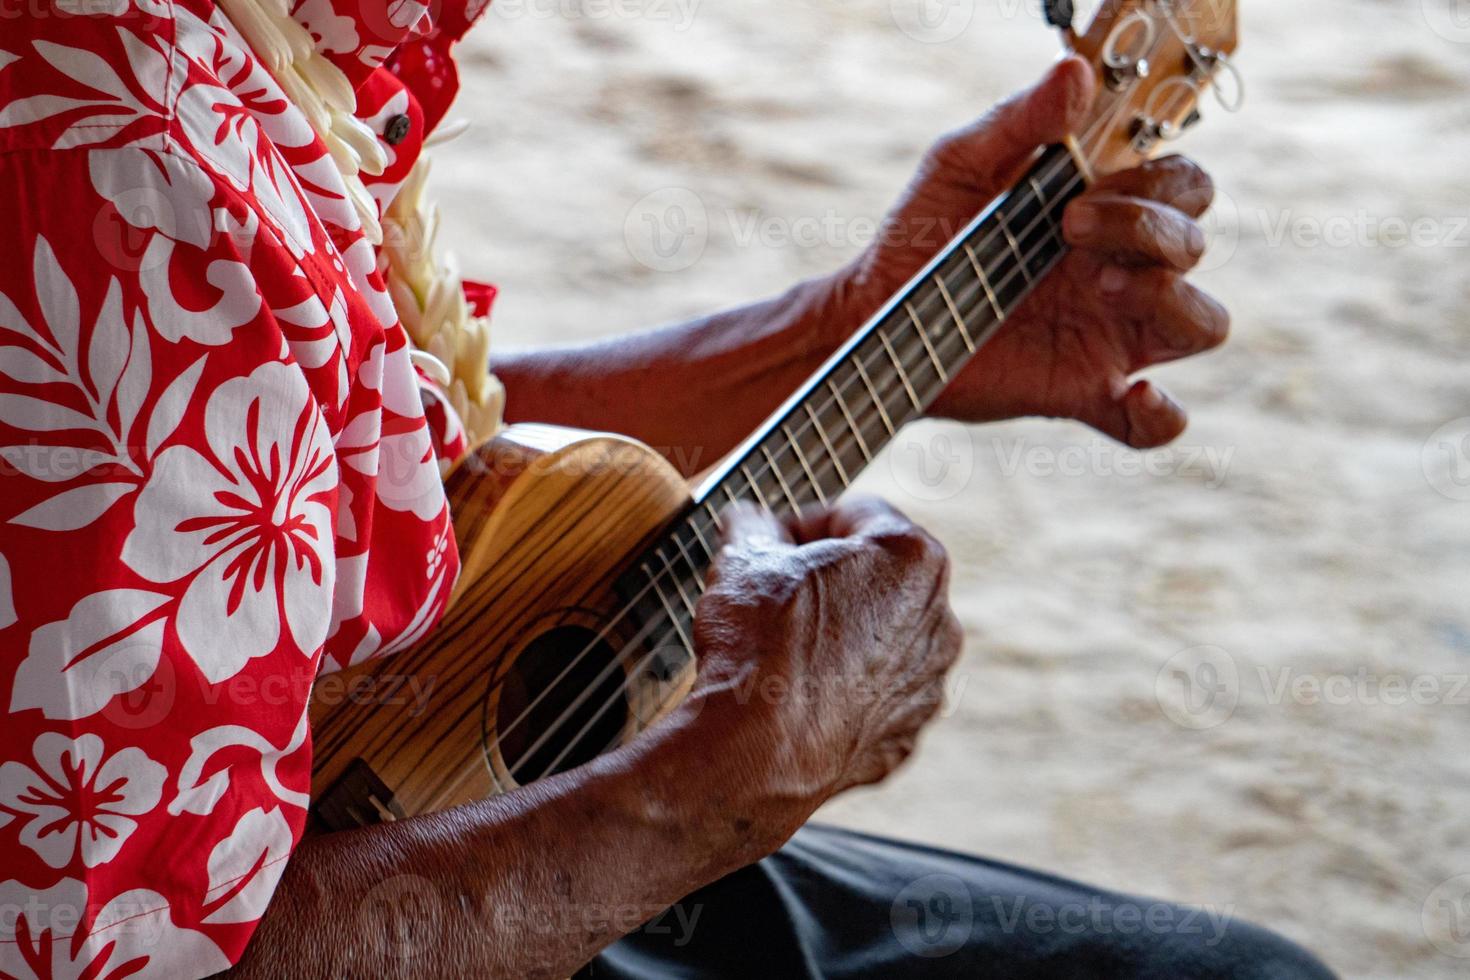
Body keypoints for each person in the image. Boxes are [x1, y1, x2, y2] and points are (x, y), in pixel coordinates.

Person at [0, 0, 1335, 976]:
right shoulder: (119, 148)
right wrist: (717, 787)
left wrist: (846, 328)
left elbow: (319, 456)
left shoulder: (247, 51)